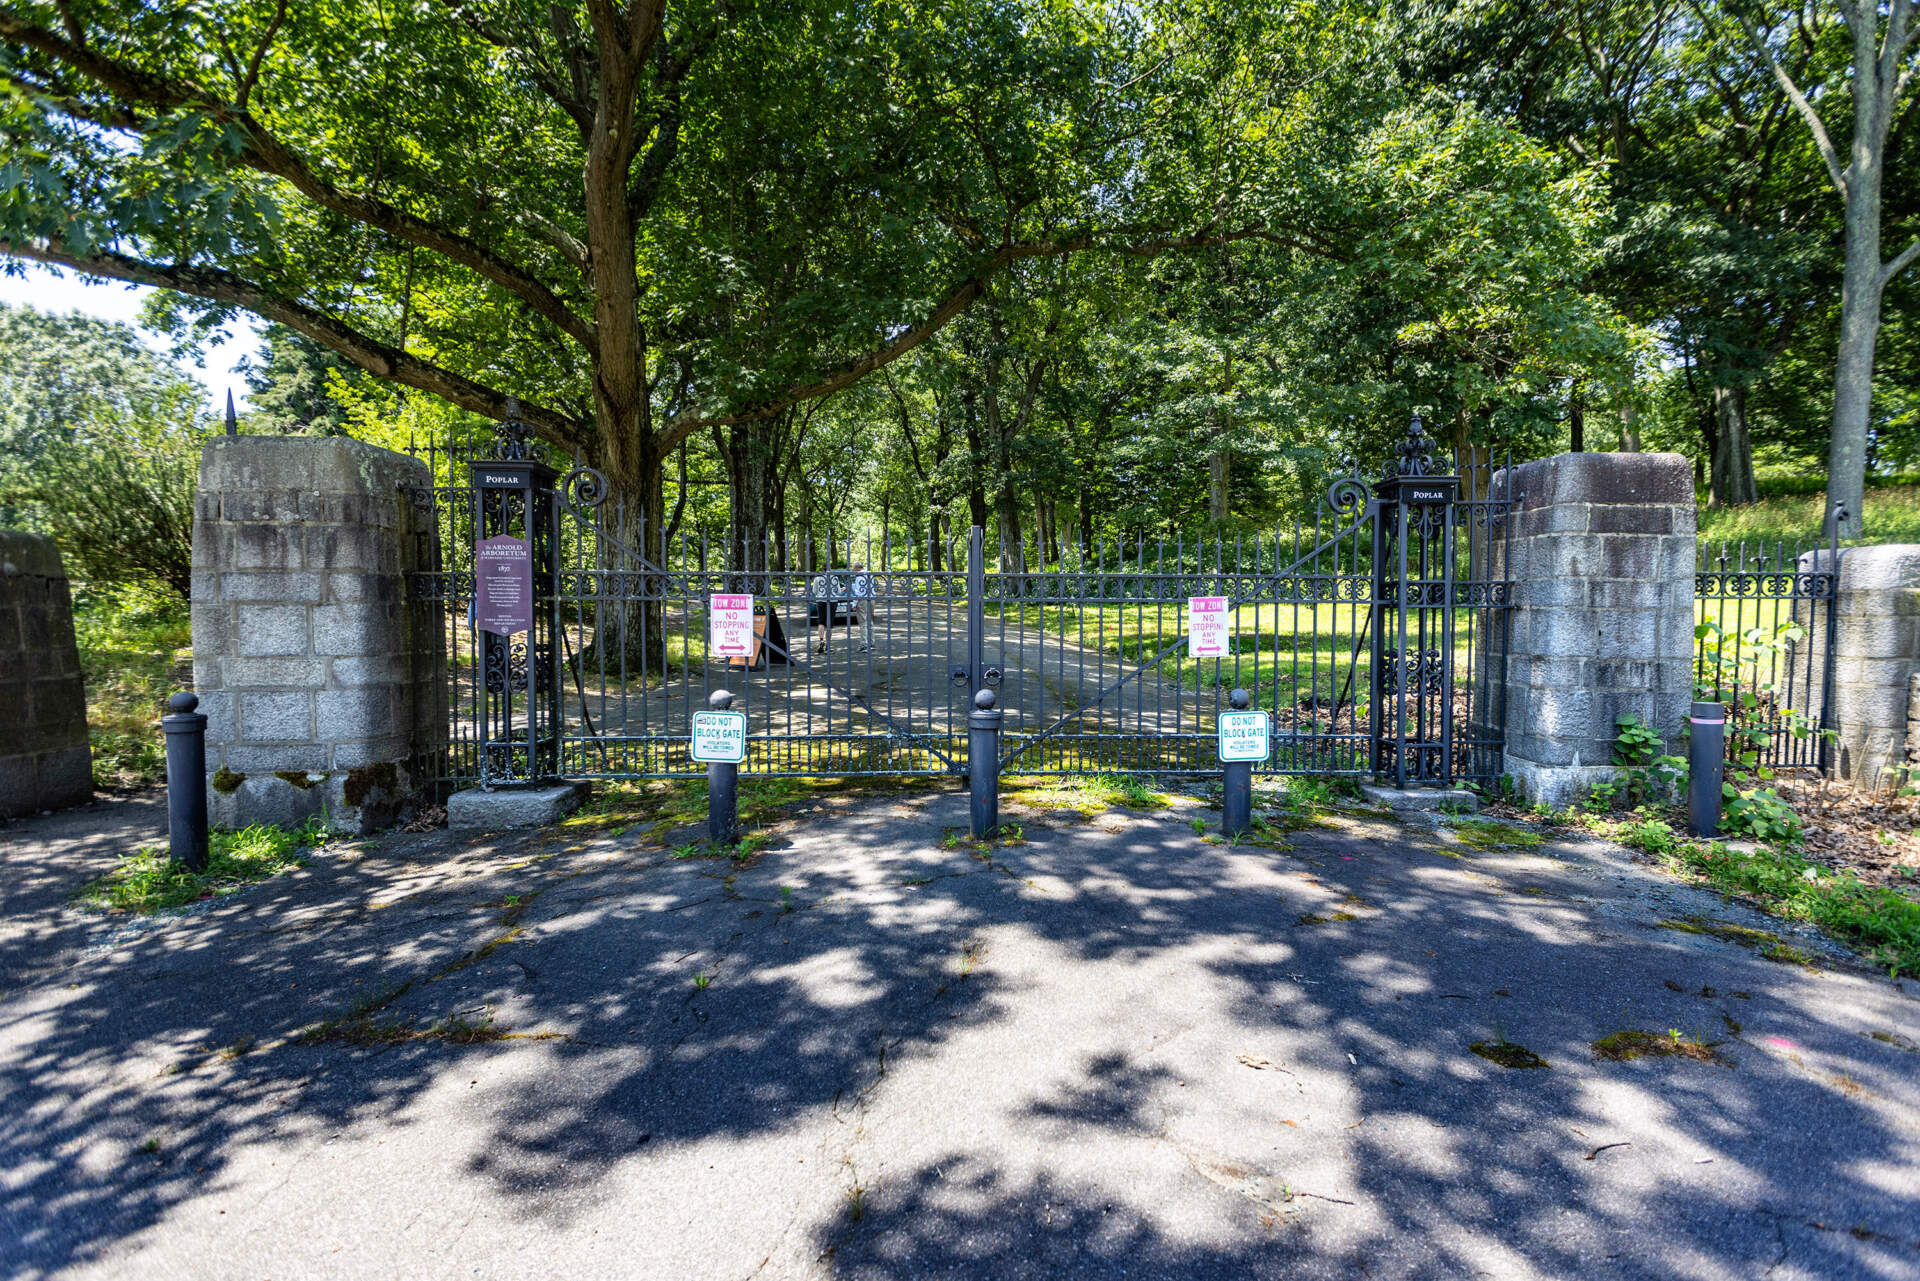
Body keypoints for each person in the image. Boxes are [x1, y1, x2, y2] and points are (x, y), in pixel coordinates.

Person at [850, 563, 874, 652]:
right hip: (871, 599)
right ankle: (872, 643)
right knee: (870, 621)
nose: (853, 570)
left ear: (856, 568)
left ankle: (864, 645)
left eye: (853, 568)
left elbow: (858, 592)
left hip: (862, 600)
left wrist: (854, 604)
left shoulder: (859, 576)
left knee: (863, 622)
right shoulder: (869, 574)